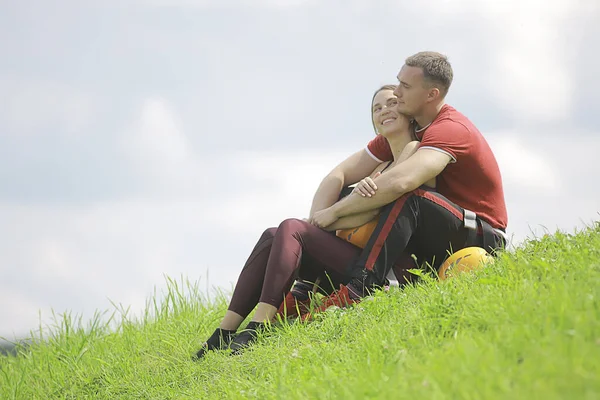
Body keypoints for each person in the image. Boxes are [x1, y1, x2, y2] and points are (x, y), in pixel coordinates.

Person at [194, 85, 420, 359]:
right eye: (377, 108)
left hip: (381, 269)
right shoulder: (377, 167)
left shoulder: (413, 151)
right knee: (272, 234)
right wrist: (336, 214)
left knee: (292, 227)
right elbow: (356, 205)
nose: (384, 110)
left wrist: (328, 218)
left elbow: (373, 210)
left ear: (409, 110)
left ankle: (259, 325)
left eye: (392, 103)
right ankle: (224, 332)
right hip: (352, 255)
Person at [309, 51, 508, 301]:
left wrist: (334, 214)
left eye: (405, 86)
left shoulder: (449, 128)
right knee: (350, 191)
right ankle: (309, 289)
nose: (397, 93)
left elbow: (403, 182)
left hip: (479, 235)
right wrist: (314, 223)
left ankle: (360, 288)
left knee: (410, 196)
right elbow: (340, 173)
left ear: (431, 95)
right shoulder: (410, 127)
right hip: (436, 227)